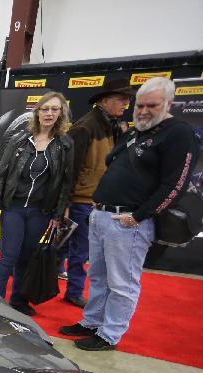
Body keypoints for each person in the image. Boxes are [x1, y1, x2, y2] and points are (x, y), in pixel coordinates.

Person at [59, 77, 198, 351]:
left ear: (168, 103)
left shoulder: (179, 134)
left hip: (128, 222)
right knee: (98, 276)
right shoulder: (136, 132)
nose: (143, 110)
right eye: (141, 104)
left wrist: (139, 215)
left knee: (122, 283)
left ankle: (109, 334)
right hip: (100, 214)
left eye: (152, 105)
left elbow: (176, 184)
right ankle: (91, 322)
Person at [0, 91, 74, 316]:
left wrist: (57, 214)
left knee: (26, 258)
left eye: (55, 109)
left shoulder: (64, 144)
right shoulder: (19, 139)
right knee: (8, 256)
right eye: (45, 109)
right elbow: (2, 173)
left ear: (60, 113)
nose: (49, 113)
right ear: (37, 112)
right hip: (13, 207)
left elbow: (65, 181)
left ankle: (18, 300)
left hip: (40, 211)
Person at [58, 78, 135, 308]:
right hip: (80, 201)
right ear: (104, 101)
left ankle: (66, 287)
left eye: (127, 100)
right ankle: (69, 290)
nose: (126, 105)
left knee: (69, 248)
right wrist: (65, 203)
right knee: (73, 250)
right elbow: (69, 170)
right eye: (122, 99)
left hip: (94, 200)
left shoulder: (110, 125)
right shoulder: (85, 128)